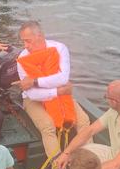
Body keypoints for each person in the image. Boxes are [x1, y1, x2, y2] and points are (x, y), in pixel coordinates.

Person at [15, 21, 90, 161]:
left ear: (40, 36)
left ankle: (90, 160)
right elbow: (33, 94)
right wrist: (57, 92)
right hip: (35, 99)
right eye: (23, 41)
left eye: (28, 41)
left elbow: (62, 78)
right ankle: (58, 166)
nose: (25, 46)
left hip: (59, 91)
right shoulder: (22, 59)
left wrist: (34, 82)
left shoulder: (60, 48)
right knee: (48, 126)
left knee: (83, 121)